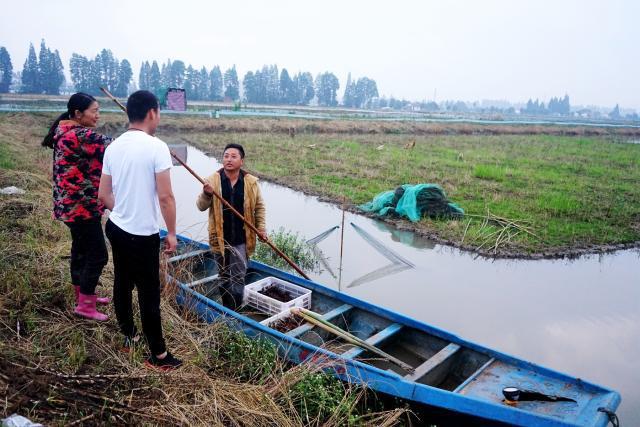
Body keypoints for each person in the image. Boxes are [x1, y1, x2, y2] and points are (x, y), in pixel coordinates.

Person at [98, 90, 182, 371]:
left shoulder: (113, 147)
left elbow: (103, 194)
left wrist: (123, 210)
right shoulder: (156, 146)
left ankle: (129, 336)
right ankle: (158, 355)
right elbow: (166, 197)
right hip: (142, 235)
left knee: (122, 282)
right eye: (159, 112)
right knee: (149, 293)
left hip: (117, 228)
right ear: (152, 113)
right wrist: (171, 233)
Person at [42, 92, 112, 321]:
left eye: (99, 110)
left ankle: (82, 296)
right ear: (78, 113)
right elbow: (114, 150)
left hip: (70, 206)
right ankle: (85, 305)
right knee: (99, 255)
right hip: (81, 206)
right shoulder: (80, 135)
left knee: (80, 250)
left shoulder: (65, 131)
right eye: (94, 111)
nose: (97, 115)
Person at [196, 143, 267, 310]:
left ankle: (235, 308)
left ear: (241, 161)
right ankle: (226, 306)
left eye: (233, 156)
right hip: (220, 238)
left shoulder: (250, 182)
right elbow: (200, 206)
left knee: (238, 276)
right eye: (226, 156)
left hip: (241, 239)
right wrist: (207, 193)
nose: (229, 159)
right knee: (223, 276)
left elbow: (259, 207)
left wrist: (261, 229)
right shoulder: (212, 180)